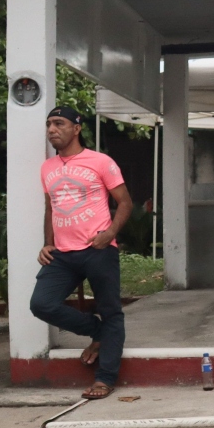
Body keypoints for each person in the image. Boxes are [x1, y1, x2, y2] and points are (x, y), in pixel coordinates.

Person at [29, 106, 132, 400]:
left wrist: (109, 234)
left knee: (112, 311)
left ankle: (105, 379)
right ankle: (97, 331)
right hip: (62, 254)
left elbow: (125, 202)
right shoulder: (47, 167)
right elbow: (52, 208)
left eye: (59, 123)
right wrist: (47, 242)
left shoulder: (101, 162)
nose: (51, 129)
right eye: (49, 124)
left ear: (76, 128)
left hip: (97, 249)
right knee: (42, 304)